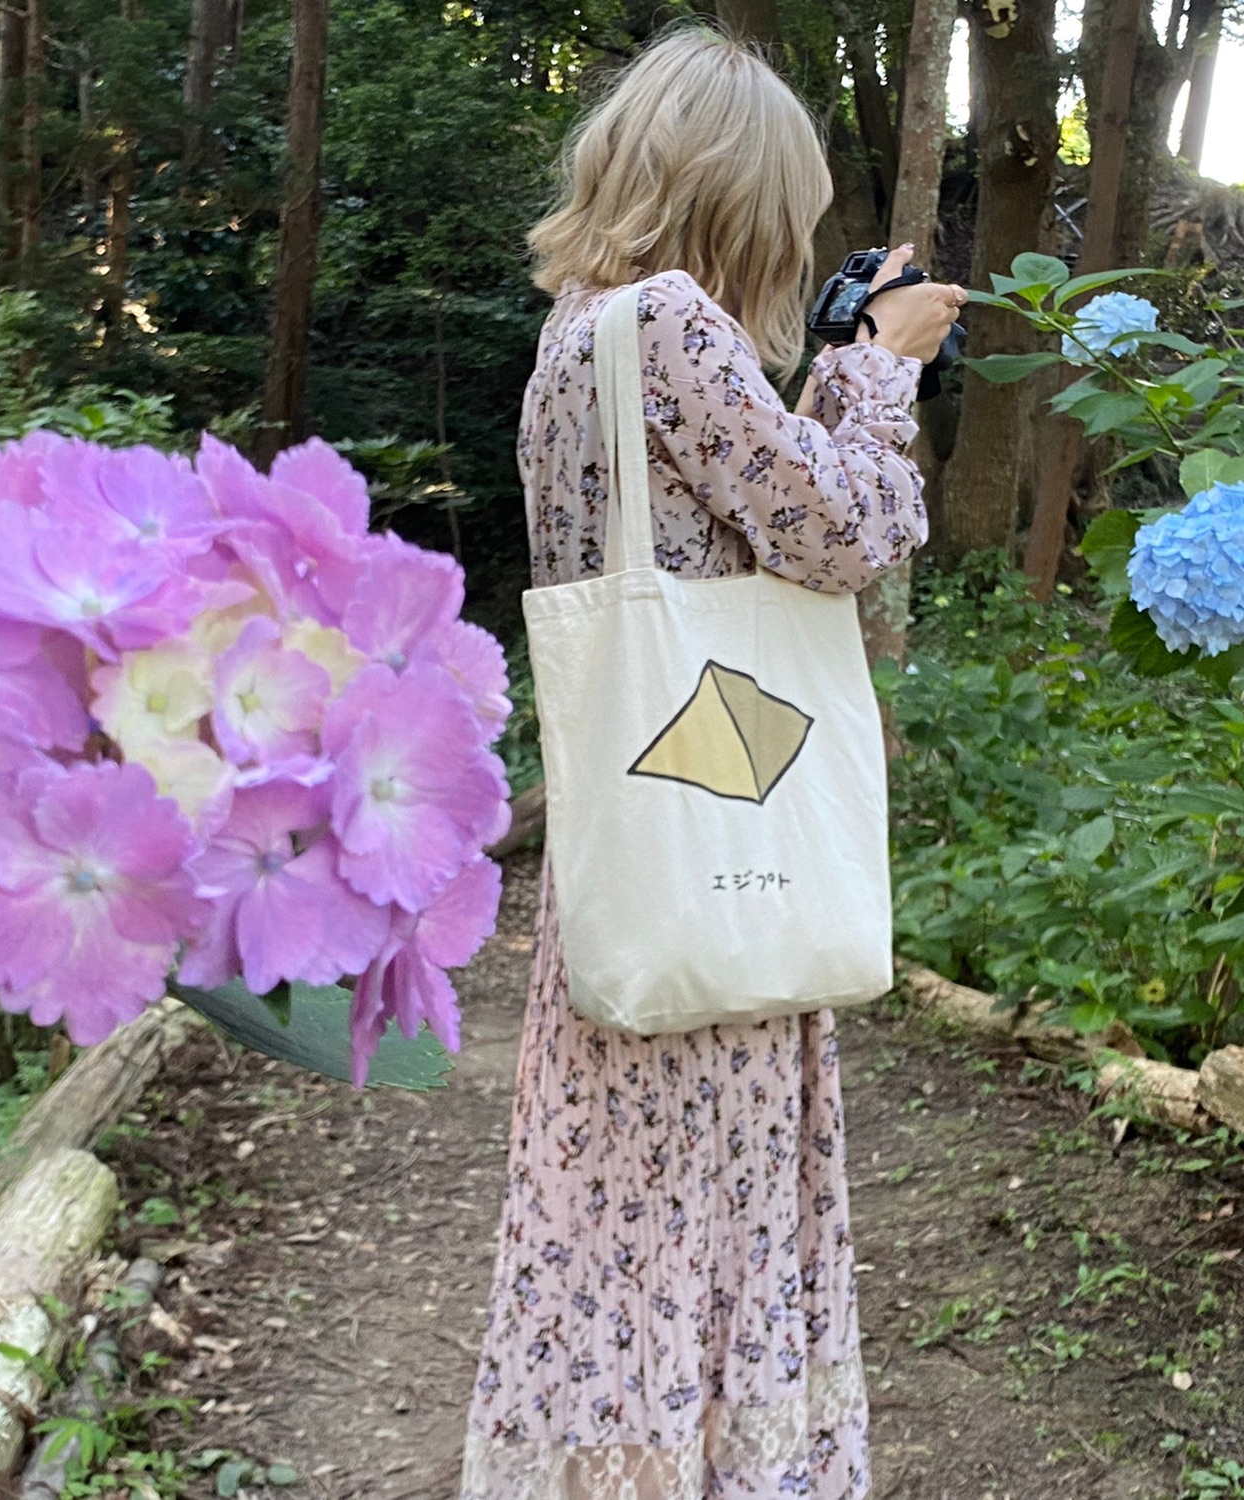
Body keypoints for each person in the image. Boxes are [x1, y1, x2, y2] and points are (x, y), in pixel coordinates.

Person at [460, 27, 963, 1499]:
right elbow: (845, 536)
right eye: (785, 209)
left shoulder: (579, 337)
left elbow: (741, 522)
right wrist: (882, 373)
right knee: (707, 1202)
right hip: (721, 849)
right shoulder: (673, 322)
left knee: (616, 1217)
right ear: (739, 199)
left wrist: (830, 380)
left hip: (643, 850)